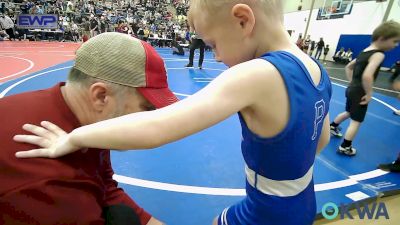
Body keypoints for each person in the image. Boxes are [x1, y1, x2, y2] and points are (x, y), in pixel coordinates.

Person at [15, 1, 332, 225]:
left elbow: (158, 127)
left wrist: (73, 137)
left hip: (266, 213)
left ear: (242, 21)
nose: (217, 56)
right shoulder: (316, 69)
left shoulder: (257, 73)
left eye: (213, 44)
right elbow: (320, 140)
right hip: (302, 202)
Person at [1, 33, 177, 225]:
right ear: (101, 95)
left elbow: (105, 185)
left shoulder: (87, 116)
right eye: (148, 109)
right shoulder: (53, 188)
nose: (154, 119)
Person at [330, 21, 400, 156]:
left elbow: (348, 66)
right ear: (382, 38)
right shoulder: (379, 54)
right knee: (356, 121)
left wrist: (352, 82)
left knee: (349, 112)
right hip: (360, 92)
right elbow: (368, 75)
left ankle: (333, 126)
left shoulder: (364, 52)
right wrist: (369, 93)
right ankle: (345, 146)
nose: (396, 45)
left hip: (351, 89)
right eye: (395, 41)